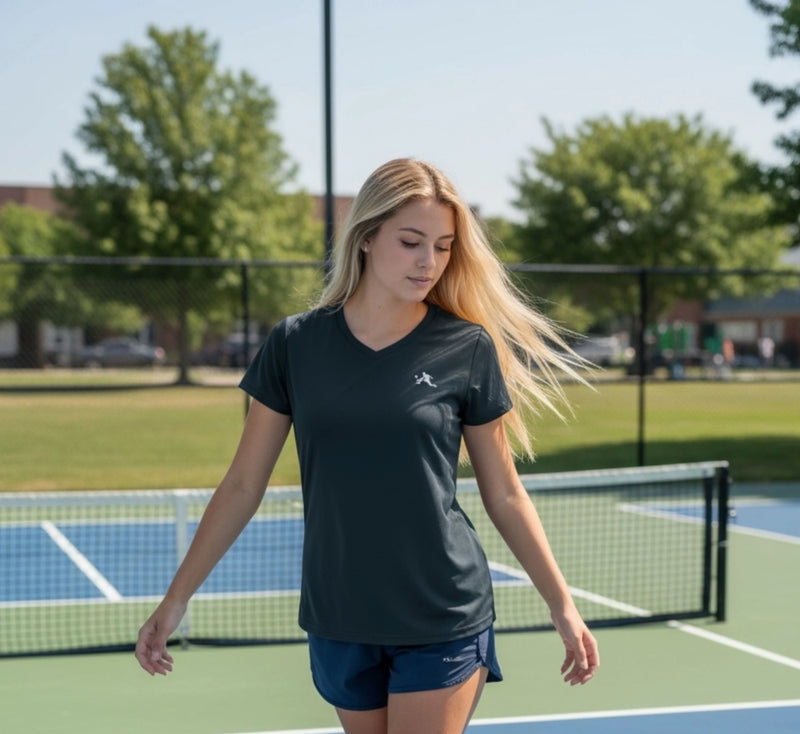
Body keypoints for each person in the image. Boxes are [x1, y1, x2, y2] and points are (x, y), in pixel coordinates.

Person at [135, 158, 599, 733]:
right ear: (367, 237)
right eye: (410, 242)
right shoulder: (295, 344)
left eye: (444, 246)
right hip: (339, 616)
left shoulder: (466, 347)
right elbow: (242, 485)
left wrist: (562, 605)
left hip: (441, 611)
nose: (429, 261)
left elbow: (504, 492)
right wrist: (176, 599)